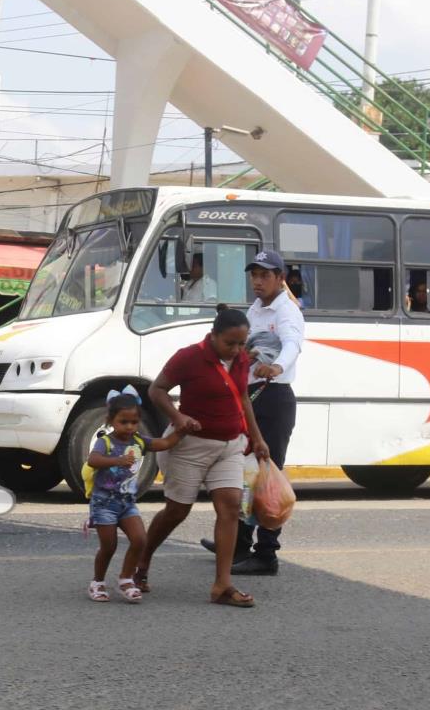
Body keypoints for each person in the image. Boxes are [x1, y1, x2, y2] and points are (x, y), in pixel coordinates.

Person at [133, 309, 270, 608]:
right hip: (190, 446)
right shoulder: (188, 357)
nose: (236, 350)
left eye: (241, 344)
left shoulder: (241, 358)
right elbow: (157, 390)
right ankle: (141, 562)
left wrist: (257, 438)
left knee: (231, 506)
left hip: (230, 445)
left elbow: (243, 398)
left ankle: (222, 585)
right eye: (229, 343)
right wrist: (177, 415)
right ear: (213, 336)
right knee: (177, 511)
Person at [203, 250, 305, 577]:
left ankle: (266, 554)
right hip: (251, 397)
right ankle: (237, 544)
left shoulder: (287, 311)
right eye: (254, 275)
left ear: (280, 278)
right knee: (244, 472)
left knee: (265, 477)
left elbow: (292, 344)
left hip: (274, 398)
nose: (258, 281)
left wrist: (276, 365)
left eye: (265, 275)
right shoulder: (255, 309)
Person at [86, 386, 188, 604]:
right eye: (124, 422)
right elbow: (93, 460)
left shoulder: (138, 441)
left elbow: (164, 443)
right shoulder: (105, 442)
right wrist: (116, 460)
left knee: (140, 540)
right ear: (111, 420)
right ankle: (97, 582)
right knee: (109, 546)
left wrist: (182, 430)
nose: (130, 427)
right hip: (104, 504)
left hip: (126, 503)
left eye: (134, 422)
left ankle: (126, 579)